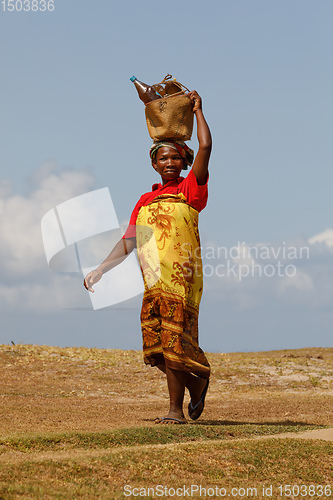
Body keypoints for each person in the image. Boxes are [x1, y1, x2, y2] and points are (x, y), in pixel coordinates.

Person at [84, 90, 212, 424]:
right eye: (163, 159)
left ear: (184, 161)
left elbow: (206, 148)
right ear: (154, 163)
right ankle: (197, 385)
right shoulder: (145, 200)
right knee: (156, 350)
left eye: (175, 158)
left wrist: (198, 111)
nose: (170, 163)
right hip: (153, 281)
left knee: (173, 344)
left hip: (181, 281)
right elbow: (130, 240)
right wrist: (101, 270)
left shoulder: (190, 191)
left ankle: (175, 411)